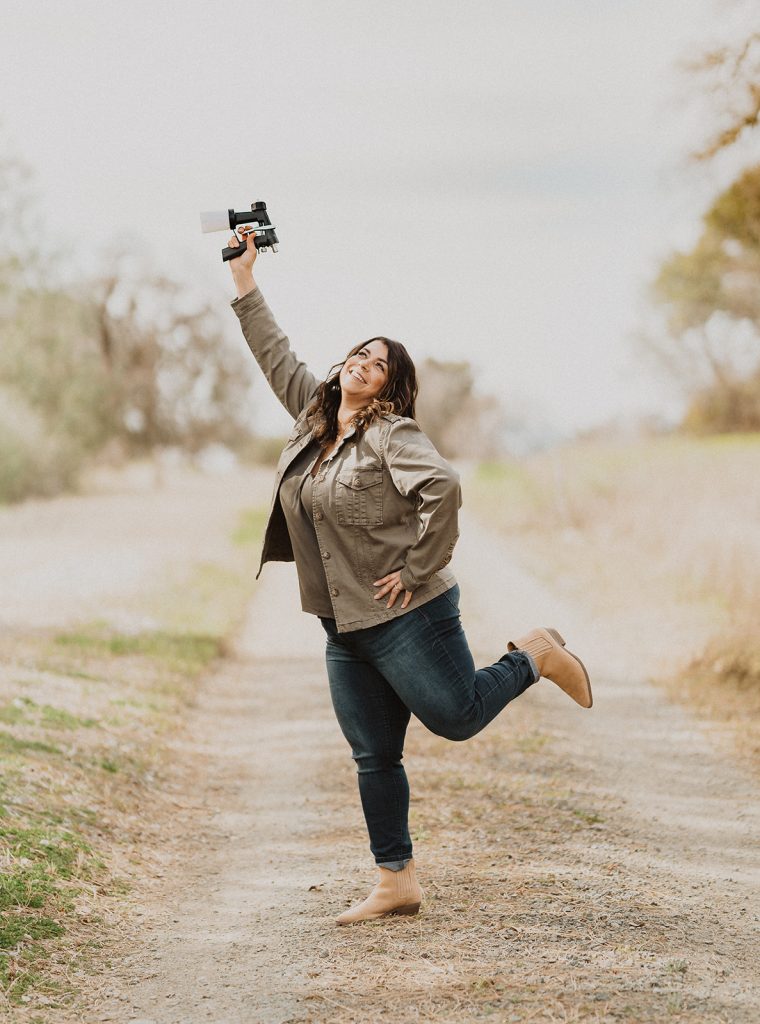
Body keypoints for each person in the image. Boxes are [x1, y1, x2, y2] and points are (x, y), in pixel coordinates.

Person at [226, 229, 593, 927]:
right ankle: (396, 881)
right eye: (359, 353)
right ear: (341, 367)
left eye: (380, 363)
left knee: (454, 718)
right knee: (374, 756)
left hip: (407, 616)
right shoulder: (313, 418)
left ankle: (533, 655)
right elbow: (274, 353)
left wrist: (416, 566)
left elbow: (445, 491)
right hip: (343, 626)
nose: (364, 363)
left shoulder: (392, 435)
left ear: (390, 387)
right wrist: (245, 280)